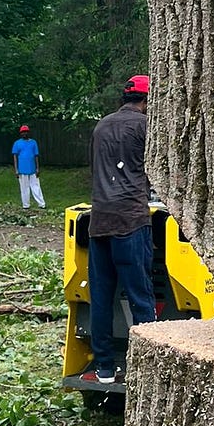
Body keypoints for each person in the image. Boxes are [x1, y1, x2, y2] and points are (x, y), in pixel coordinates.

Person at [85, 74, 157, 385]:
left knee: (101, 297)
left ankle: (103, 367)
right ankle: (149, 367)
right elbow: (152, 168)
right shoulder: (144, 127)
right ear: (147, 101)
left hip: (99, 219)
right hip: (130, 219)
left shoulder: (101, 125)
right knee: (141, 295)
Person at [11, 124, 45, 211]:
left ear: (28, 132)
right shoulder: (17, 143)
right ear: (20, 133)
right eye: (22, 132)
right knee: (24, 187)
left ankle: (41, 204)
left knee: (36, 186)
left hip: (32, 169)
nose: (24, 134)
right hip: (22, 169)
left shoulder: (33, 142)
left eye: (26, 132)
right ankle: (26, 205)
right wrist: (16, 170)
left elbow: (36, 155)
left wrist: (37, 168)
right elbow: (15, 156)